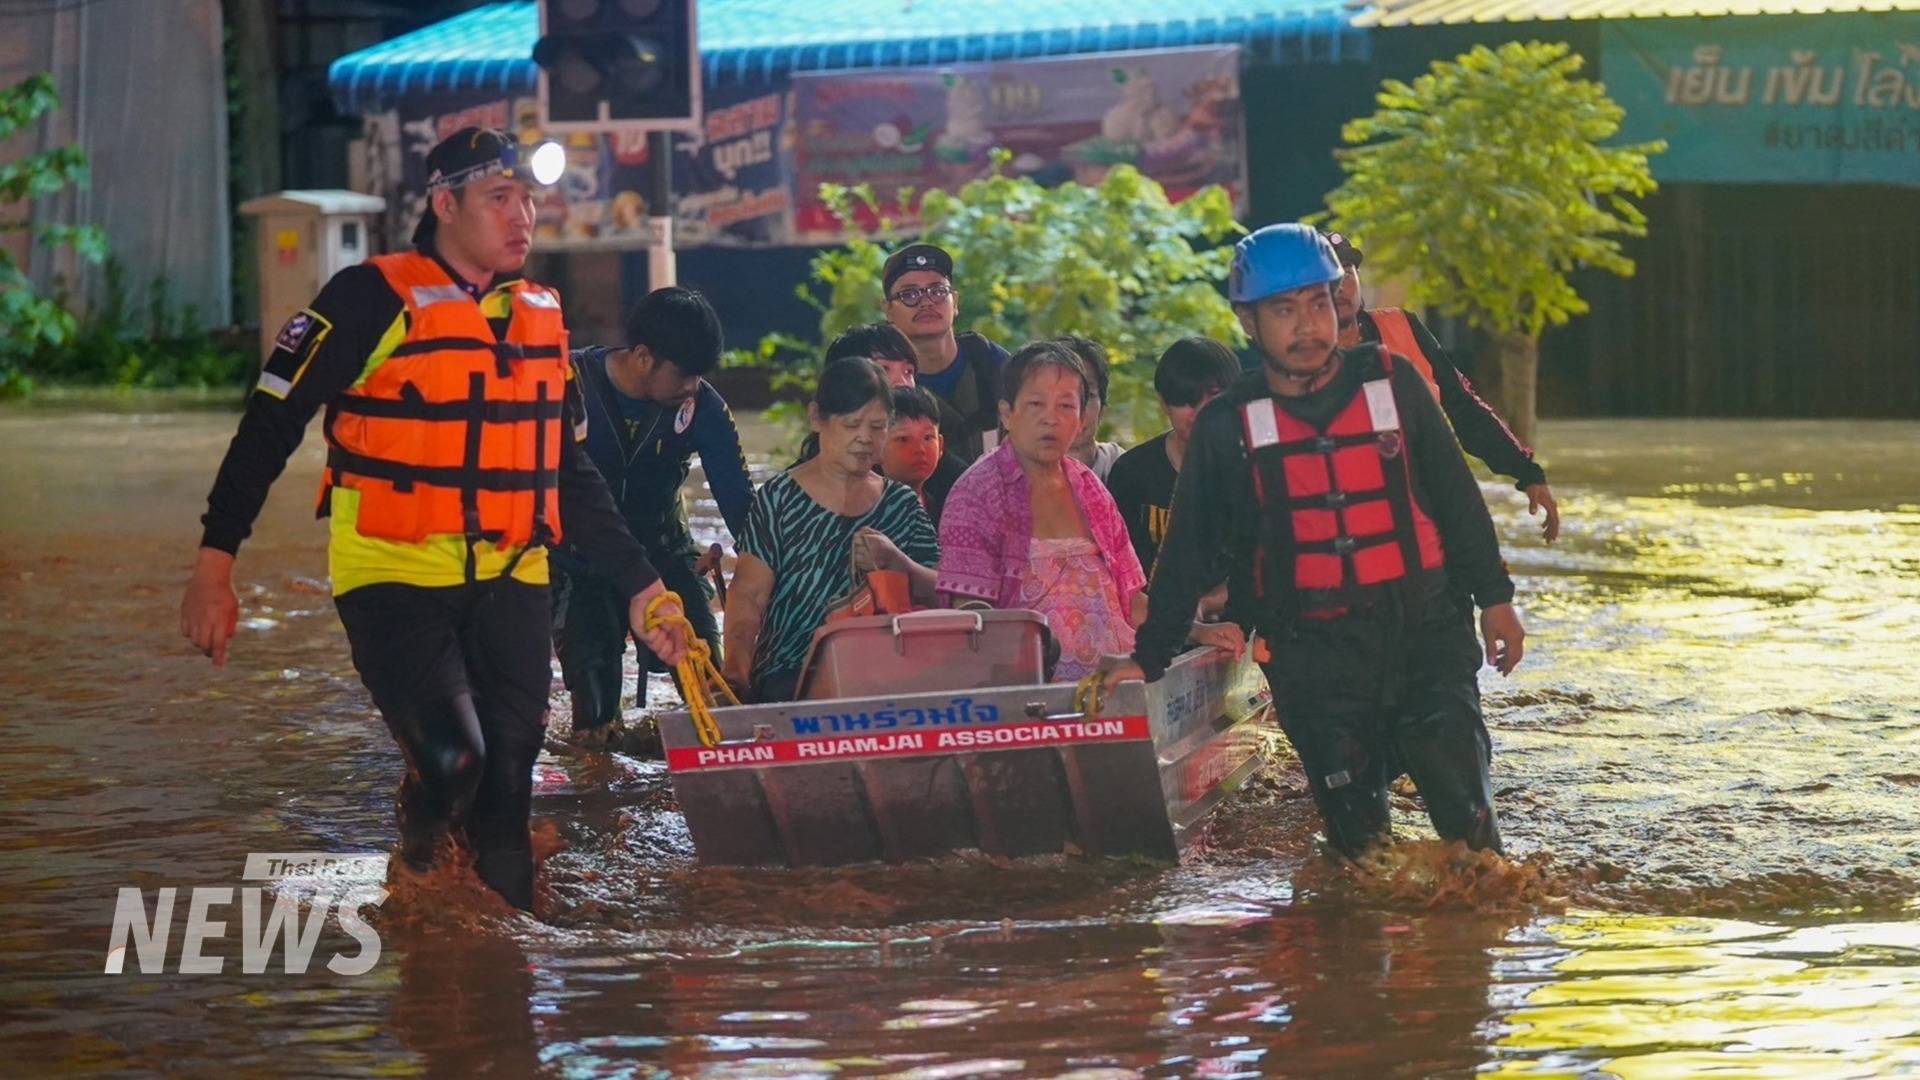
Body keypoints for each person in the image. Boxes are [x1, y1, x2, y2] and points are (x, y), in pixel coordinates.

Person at [179, 128, 689, 910]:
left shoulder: (539, 318)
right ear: (444, 204)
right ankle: (420, 845)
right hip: (393, 575)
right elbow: (269, 424)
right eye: (498, 199)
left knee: (508, 814)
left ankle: (497, 993)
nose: (522, 217)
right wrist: (216, 565)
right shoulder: (368, 297)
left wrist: (641, 586)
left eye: (526, 199)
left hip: (515, 575)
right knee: (455, 762)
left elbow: (568, 472)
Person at [1105, 224, 1526, 860]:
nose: (1306, 325)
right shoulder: (1227, 426)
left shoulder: (1396, 383)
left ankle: (1469, 954)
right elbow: (1186, 552)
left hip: (1427, 637)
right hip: (1314, 662)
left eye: (1318, 303)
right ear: (1248, 322)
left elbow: (1457, 499)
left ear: (1338, 303)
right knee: (1360, 854)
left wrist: (1496, 600)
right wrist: (1149, 657)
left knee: (1474, 839)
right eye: (1283, 310)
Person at [938, 341, 1230, 681]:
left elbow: (1133, 601)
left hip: (1120, 688)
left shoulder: (1090, 487)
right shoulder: (976, 491)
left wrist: (1198, 631)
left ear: (1081, 419)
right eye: (1035, 404)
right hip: (1037, 703)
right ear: (1007, 413)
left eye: (1066, 406)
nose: (1051, 418)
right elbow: (970, 616)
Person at [556, 286, 752, 732]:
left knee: (710, 685)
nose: (693, 387)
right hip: (576, 560)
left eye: (700, 376)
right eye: (684, 375)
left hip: (665, 550)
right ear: (643, 356)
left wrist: (767, 580)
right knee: (595, 711)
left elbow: (741, 504)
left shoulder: (704, 406)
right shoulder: (568, 385)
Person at [723, 357, 940, 703]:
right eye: (852, 425)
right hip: (790, 677)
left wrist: (898, 562)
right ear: (816, 419)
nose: (865, 439)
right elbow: (748, 596)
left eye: (878, 427)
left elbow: (942, 592)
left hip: (887, 677)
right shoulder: (779, 500)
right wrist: (734, 676)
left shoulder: (902, 505)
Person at [1324, 230, 1561, 542]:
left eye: (1348, 271)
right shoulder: (1301, 360)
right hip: (1349, 522)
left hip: (1427, 512)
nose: (1341, 285)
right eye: (1329, 277)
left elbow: (1463, 406)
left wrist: (1527, 472)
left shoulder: (1402, 326)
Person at [1106, 336, 1243, 577]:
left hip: (1238, 612)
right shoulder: (1133, 471)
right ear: (1163, 402)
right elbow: (1120, 567)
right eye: (1186, 400)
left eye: (1212, 399)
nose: (1199, 413)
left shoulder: (1255, 468)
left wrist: (1208, 604)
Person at [879, 242, 1010, 461]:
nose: (926, 303)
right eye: (909, 295)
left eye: (938, 291)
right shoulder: (883, 378)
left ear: (955, 302)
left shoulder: (991, 363)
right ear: (888, 309)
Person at [880, 385, 960, 523]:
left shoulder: (950, 505)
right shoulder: (864, 509)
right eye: (903, 439)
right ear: (877, 446)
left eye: (928, 438)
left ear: (940, 445)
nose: (920, 449)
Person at [1053, 334, 1124, 480]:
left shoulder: (1123, 466)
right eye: (1063, 397)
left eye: (1087, 396)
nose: (1076, 410)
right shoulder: (1011, 473)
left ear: (1102, 408)